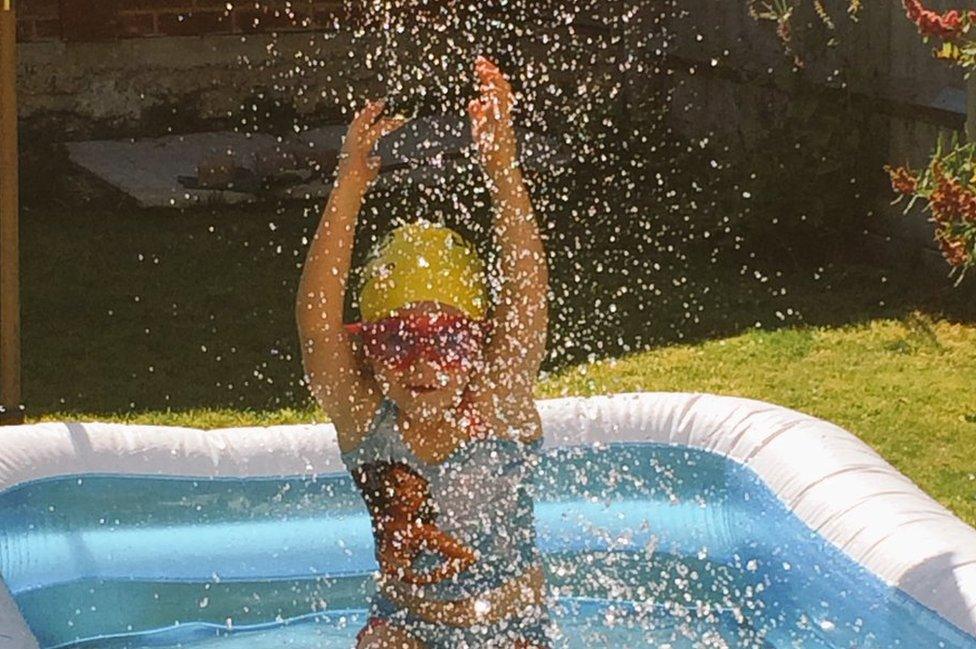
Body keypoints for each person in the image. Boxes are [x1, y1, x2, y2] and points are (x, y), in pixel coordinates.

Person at [296, 55, 551, 648]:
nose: (424, 364)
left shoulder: (499, 404)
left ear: (481, 341)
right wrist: (349, 185)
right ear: (368, 348)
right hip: (405, 622)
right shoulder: (365, 419)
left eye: (448, 340)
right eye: (398, 340)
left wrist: (503, 169)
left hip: (510, 622)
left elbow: (527, 290)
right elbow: (316, 324)